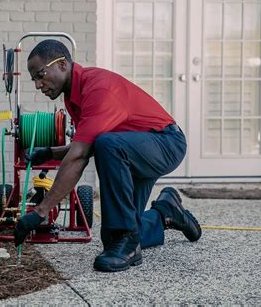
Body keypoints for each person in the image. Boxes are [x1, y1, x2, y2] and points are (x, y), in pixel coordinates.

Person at [13, 39, 202, 272]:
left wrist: (40, 212)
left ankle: (129, 247)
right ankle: (166, 211)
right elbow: (86, 144)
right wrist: (50, 153)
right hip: (135, 150)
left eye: (40, 74)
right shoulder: (73, 96)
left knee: (108, 147)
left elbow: (81, 154)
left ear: (62, 64)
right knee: (119, 236)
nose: (37, 84)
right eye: (34, 78)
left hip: (165, 143)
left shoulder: (99, 88)